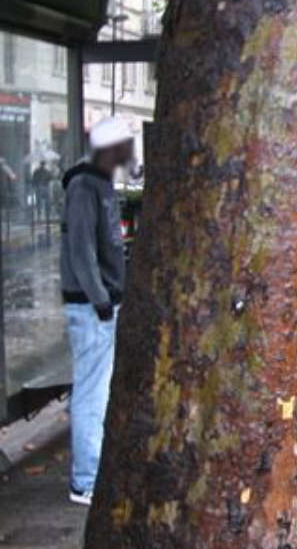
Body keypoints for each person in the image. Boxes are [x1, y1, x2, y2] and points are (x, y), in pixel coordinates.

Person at [60, 117, 133, 506]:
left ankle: (92, 471)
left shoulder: (98, 183)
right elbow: (82, 250)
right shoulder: (85, 186)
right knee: (91, 391)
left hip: (98, 303)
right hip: (91, 306)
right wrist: (101, 299)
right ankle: (85, 480)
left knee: (97, 388)